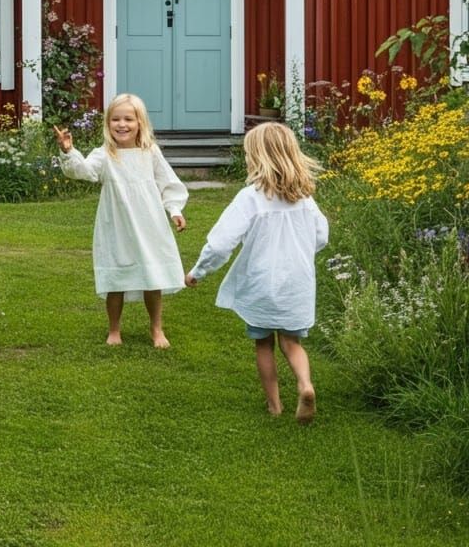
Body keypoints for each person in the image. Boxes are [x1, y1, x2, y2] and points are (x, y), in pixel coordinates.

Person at [184, 122, 328, 423]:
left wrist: (199, 270)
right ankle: (305, 384)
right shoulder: (304, 197)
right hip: (296, 283)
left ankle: (275, 406)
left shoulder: (250, 197)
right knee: (292, 341)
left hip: (261, 283)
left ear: (256, 157)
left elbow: (221, 243)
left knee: (263, 343)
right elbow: (321, 236)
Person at [54, 93, 188, 348]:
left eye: (128, 119)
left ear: (140, 123)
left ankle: (156, 328)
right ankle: (114, 330)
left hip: (149, 224)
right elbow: (83, 171)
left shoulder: (150, 152)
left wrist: (175, 210)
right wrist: (68, 151)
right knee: (115, 277)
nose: (122, 124)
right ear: (108, 124)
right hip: (116, 224)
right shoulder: (105, 154)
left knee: (153, 274)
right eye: (115, 119)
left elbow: (168, 183)